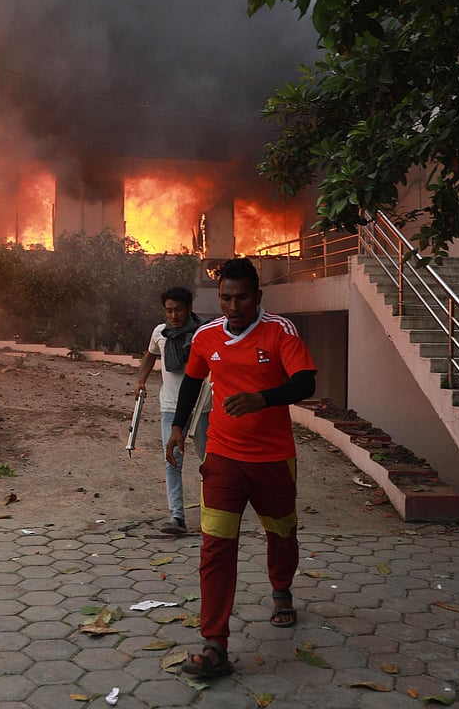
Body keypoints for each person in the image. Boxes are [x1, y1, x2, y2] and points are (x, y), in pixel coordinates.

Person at [166, 257, 317, 678]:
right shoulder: (206, 336)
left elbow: (306, 382)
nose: (234, 307)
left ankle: (281, 588)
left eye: (242, 298)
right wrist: (178, 427)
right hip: (223, 459)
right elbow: (194, 381)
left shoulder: (279, 331)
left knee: (282, 532)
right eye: (226, 298)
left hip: (272, 460)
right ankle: (215, 643)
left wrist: (263, 398)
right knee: (215, 547)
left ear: (258, 297)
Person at [133, 286, 210, 535]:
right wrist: (140, 380)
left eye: (178, 310)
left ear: (189, 308)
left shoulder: (204, 333)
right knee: (172, 460)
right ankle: (177, 517)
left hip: (201, 407)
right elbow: (150, 355)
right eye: (169, 311)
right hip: (170, 406)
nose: (174, 316)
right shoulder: (160, 333)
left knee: (211, 461)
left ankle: (216, 512)